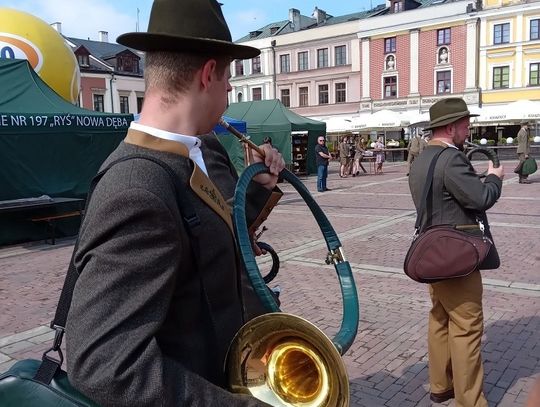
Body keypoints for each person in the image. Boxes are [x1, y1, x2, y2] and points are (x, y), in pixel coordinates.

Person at [65, 1, 285, 406]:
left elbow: (205, 243)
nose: (230, 90)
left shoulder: (186, 155)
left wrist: (257, 187)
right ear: (207, 75)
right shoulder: (139, 187)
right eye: (228, 78)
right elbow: (105, 364)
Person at [409, 98, 504, 407]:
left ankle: (441, 384)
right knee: (466, 328)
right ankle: (471, 401)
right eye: (465, 124)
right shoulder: (452, 160)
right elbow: (480, 198)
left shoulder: (422, 158)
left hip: (434, 252)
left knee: (439, 318)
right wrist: (494, 178)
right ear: (450, 127)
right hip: (457, 257)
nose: (469, 128)